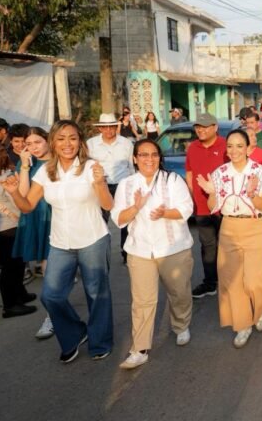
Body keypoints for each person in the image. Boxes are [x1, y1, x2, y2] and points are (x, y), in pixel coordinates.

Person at [2, 120, 114, 363]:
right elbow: (28, 206)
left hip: (92, 239)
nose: (67, 144)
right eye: (61, 138)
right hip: (60, 243)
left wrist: (100, 183)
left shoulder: (91, 167)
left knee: (97, 294)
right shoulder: (45, 171)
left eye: (72, 138)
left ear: (80, 142)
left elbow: (108, 205)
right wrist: (13, 193)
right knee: (51, 295)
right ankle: (75, 333)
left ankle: (100, 341)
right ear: (53, 141)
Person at [111, 139, 194, 369]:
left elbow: (187, 209)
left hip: (173, 247)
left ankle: (181, 325)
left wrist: (166, 213)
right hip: (140, 250)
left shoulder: (172, 180)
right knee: (142, 300)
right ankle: (140, 348)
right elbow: (118, 219)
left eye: (154, 155)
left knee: (178, 291)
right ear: (135, 159)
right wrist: (136, 207)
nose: (149, 159)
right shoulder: (126, 185)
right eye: (144, 155)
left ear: (160, 157)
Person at [197, 130, 262, 349]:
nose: (234, 151)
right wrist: (211, 192)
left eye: (239, 146)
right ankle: (243, 324)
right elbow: (214, 207)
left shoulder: (260, 172)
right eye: (230, 146)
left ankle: (261, 306)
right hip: (229, 227)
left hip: (254, 226)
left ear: (248, 147)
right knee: (233, 280)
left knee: (254, 279)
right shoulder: (219, 173)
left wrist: (252, 194)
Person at [11, 128, 54, 335]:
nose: (33, 147)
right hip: (36, 216)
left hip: (57, 216)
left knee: (55, 271)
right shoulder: (26, 164)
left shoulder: (58, 160)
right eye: (29, 144)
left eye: (38, 142)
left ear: (47, 140)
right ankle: (52, 317)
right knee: (47, 270)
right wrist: (26, 168)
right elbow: (24, 196)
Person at [186, 113, 228, 299]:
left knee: (228, 245)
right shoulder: (192, 147)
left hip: (224, 207)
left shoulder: (226, 145)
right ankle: (210, 283)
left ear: (215, 127)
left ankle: (230, 281)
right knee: (207, 246)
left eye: (204, 126)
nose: (200, 130)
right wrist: (193, 196)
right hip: (202, 207)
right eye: (198, 127)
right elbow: (189, 173)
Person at [87, 113, 134, 264]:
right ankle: (99, 255)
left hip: (123, 185)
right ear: (100, 128)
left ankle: (127, 254)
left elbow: (131, 166)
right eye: (105, 127)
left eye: (111, 127)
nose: (108, 130)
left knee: (126, 221)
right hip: (101, 186)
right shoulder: (91, 144)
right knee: (100, 221)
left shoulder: (127, 143)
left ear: (116, 127)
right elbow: (87, 167)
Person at [0, 145, 36, 318]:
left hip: (12, 224)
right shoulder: (3, 176)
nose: (5, 154)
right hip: (6, 227)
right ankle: (10, 305)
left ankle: (20, 294)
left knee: (18, 262)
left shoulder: (4, 172)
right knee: (10, 266)